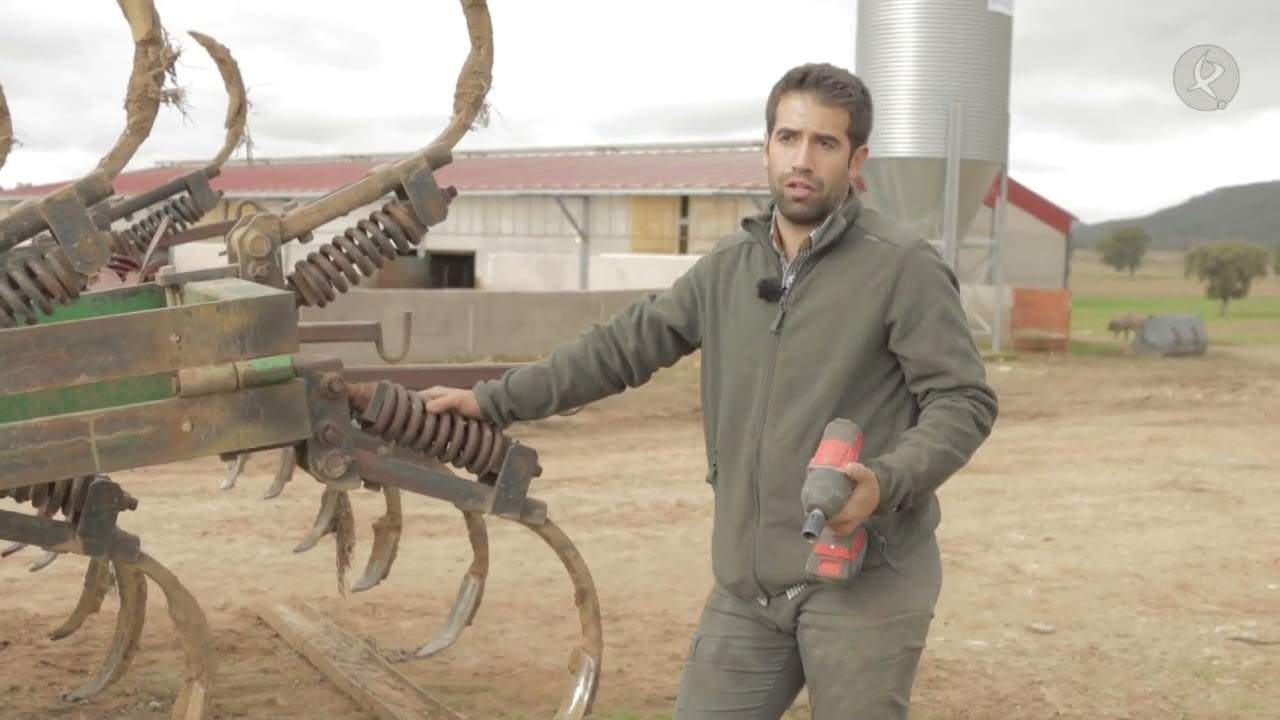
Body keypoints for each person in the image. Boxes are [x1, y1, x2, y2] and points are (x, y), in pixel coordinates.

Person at [421, 62, 999, 720]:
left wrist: (886, 481)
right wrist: (492, 400)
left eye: (825, 143)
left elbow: (963, 402)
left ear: (856, 158)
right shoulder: (730, 266)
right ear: (766, 148)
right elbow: (620, 348)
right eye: (788, 138)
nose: (802, 159)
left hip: (863, 577)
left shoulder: (900, 267)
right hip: (750, 586)